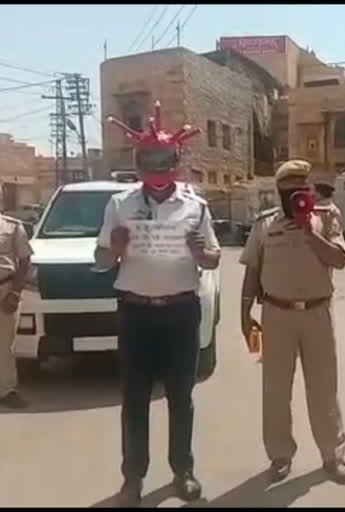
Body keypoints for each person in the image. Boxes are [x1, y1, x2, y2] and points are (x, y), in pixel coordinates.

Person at [95, 102, 221, 507]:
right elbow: (100, 261)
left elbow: (214, 258)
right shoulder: (120, 205)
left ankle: (183, 469)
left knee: (181, 397)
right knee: (134, 399)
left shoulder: (195, 206)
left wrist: (203, 254)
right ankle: (133, 478)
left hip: (181, 313)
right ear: (139, 159)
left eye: (164, 157)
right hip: (136, 313)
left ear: (176, 159)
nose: (157, 165)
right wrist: (113, 250)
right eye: (149, 157)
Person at [239, 159, 345, 485]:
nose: (296, 196)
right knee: (275, 390)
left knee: (324, 389)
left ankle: (333, 456)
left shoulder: (326, 218)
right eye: (289, 191)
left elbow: (340, 259)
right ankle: (280, 455)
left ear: (309, 188)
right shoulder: (264, 224)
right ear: (279, 193)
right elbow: (251, 272)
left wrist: (308, 229)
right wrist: (244, 313)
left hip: (317, 313)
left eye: (301, 189)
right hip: (276, 314)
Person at [0, 215, 33, 410]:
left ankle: (6, 390)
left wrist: (15, 292)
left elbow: (25, 261)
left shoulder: (12, 226)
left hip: (4, 290)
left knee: (4, 344)